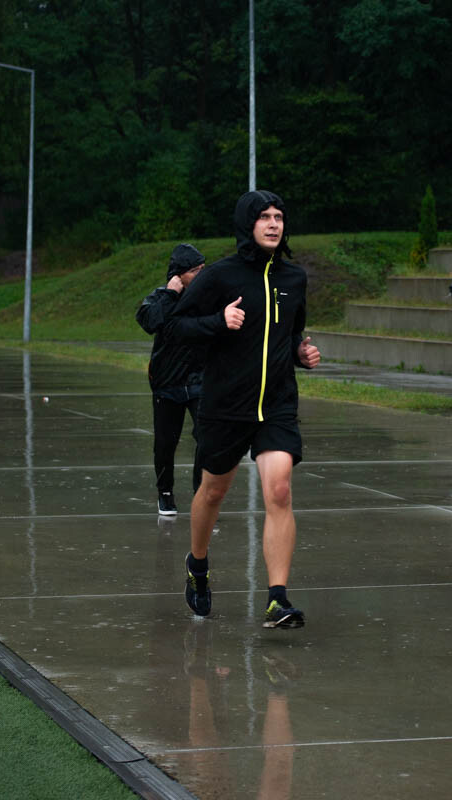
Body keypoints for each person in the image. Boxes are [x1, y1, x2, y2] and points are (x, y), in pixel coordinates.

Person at [165, 190, 320, 629]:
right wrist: (219, 322)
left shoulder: (294, 278)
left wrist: (300, 354)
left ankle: (277, 599)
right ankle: (197, 564)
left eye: (279, 217)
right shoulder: (220, 276)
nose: (273, 224)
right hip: (226, 405)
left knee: (280, 491)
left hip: (276, 405)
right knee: (213, 492)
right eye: (264, 217)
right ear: (247, 224)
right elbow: (175, 327)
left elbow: (289, 334)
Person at [136, 243, 207, 516]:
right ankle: (165, 493)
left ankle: (202, 496)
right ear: (178, 275)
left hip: (200, 381)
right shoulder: (159, 297)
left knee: (207, 436)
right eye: (195, 270)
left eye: (203, 269)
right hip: (167, 383)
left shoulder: (207, 296)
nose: (201, 275)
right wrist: (170, 294)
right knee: (166, 443)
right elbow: (148, 322)